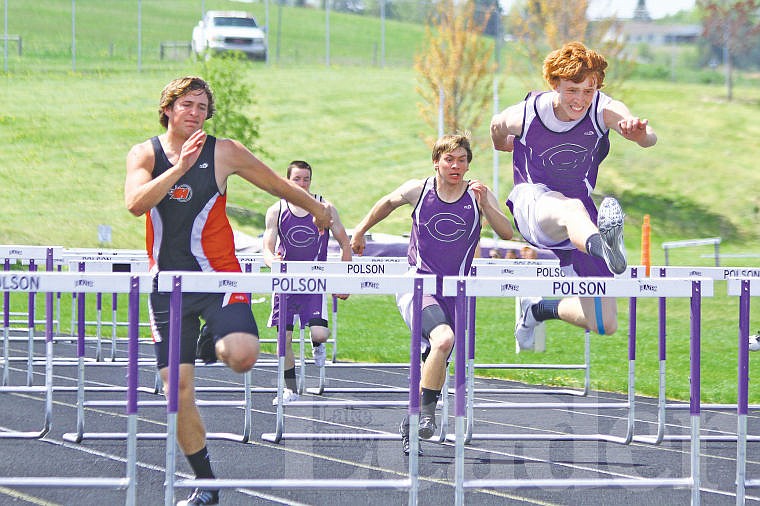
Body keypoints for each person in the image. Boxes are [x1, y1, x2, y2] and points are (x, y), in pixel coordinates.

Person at [124, 76, 332, 506]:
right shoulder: (145, 153)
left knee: (242, 356)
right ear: (167, 109)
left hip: (219, 278)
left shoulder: (225, 151)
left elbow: (276, 184)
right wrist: (179, 169)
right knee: (176, 393)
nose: (195, 113)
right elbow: (136, 204)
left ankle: (211, 336)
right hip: (169, 285)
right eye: (187, 104)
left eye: (202, 107)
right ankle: (206, 482)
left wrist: (316, 209)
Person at [350, 133, 513, 455]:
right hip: (420, 284)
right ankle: (426, 415)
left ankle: (413, 421)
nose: (456, 165)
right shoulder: (419, 188)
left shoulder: (477, 193)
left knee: (435, 358)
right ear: (436, 162)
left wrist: (485, 207)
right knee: (443, 340)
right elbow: (387, 202)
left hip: (458, 291)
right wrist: (360, 230)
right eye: (449, 159)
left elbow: (506, 232)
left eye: (462, 160)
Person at [490, 41, 657, 352]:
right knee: (570, 209)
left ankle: (537, 309)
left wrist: (638, 133)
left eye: (588, 91)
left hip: (583, 225)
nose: (580, 100)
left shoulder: (601, 109)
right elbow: (496, 125)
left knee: (604, 323)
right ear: (555, 84)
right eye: (572, 90)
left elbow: (648, 136)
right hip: (535, 204)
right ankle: (605, 248)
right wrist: (504, 143)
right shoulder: (528, 114)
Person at [262, 160, 352, 405]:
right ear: (287, 181)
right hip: (286, 284)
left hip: (314, 282)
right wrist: (274, 263)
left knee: (320, 333)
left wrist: (344, 281)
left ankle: (317, 344)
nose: (302, 184)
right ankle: (290, 389)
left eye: (306, 179)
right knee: (285, 339)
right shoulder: (277, 210)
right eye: (297, 179)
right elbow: (267, 249)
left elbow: (345, 243)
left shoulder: (325, 207)